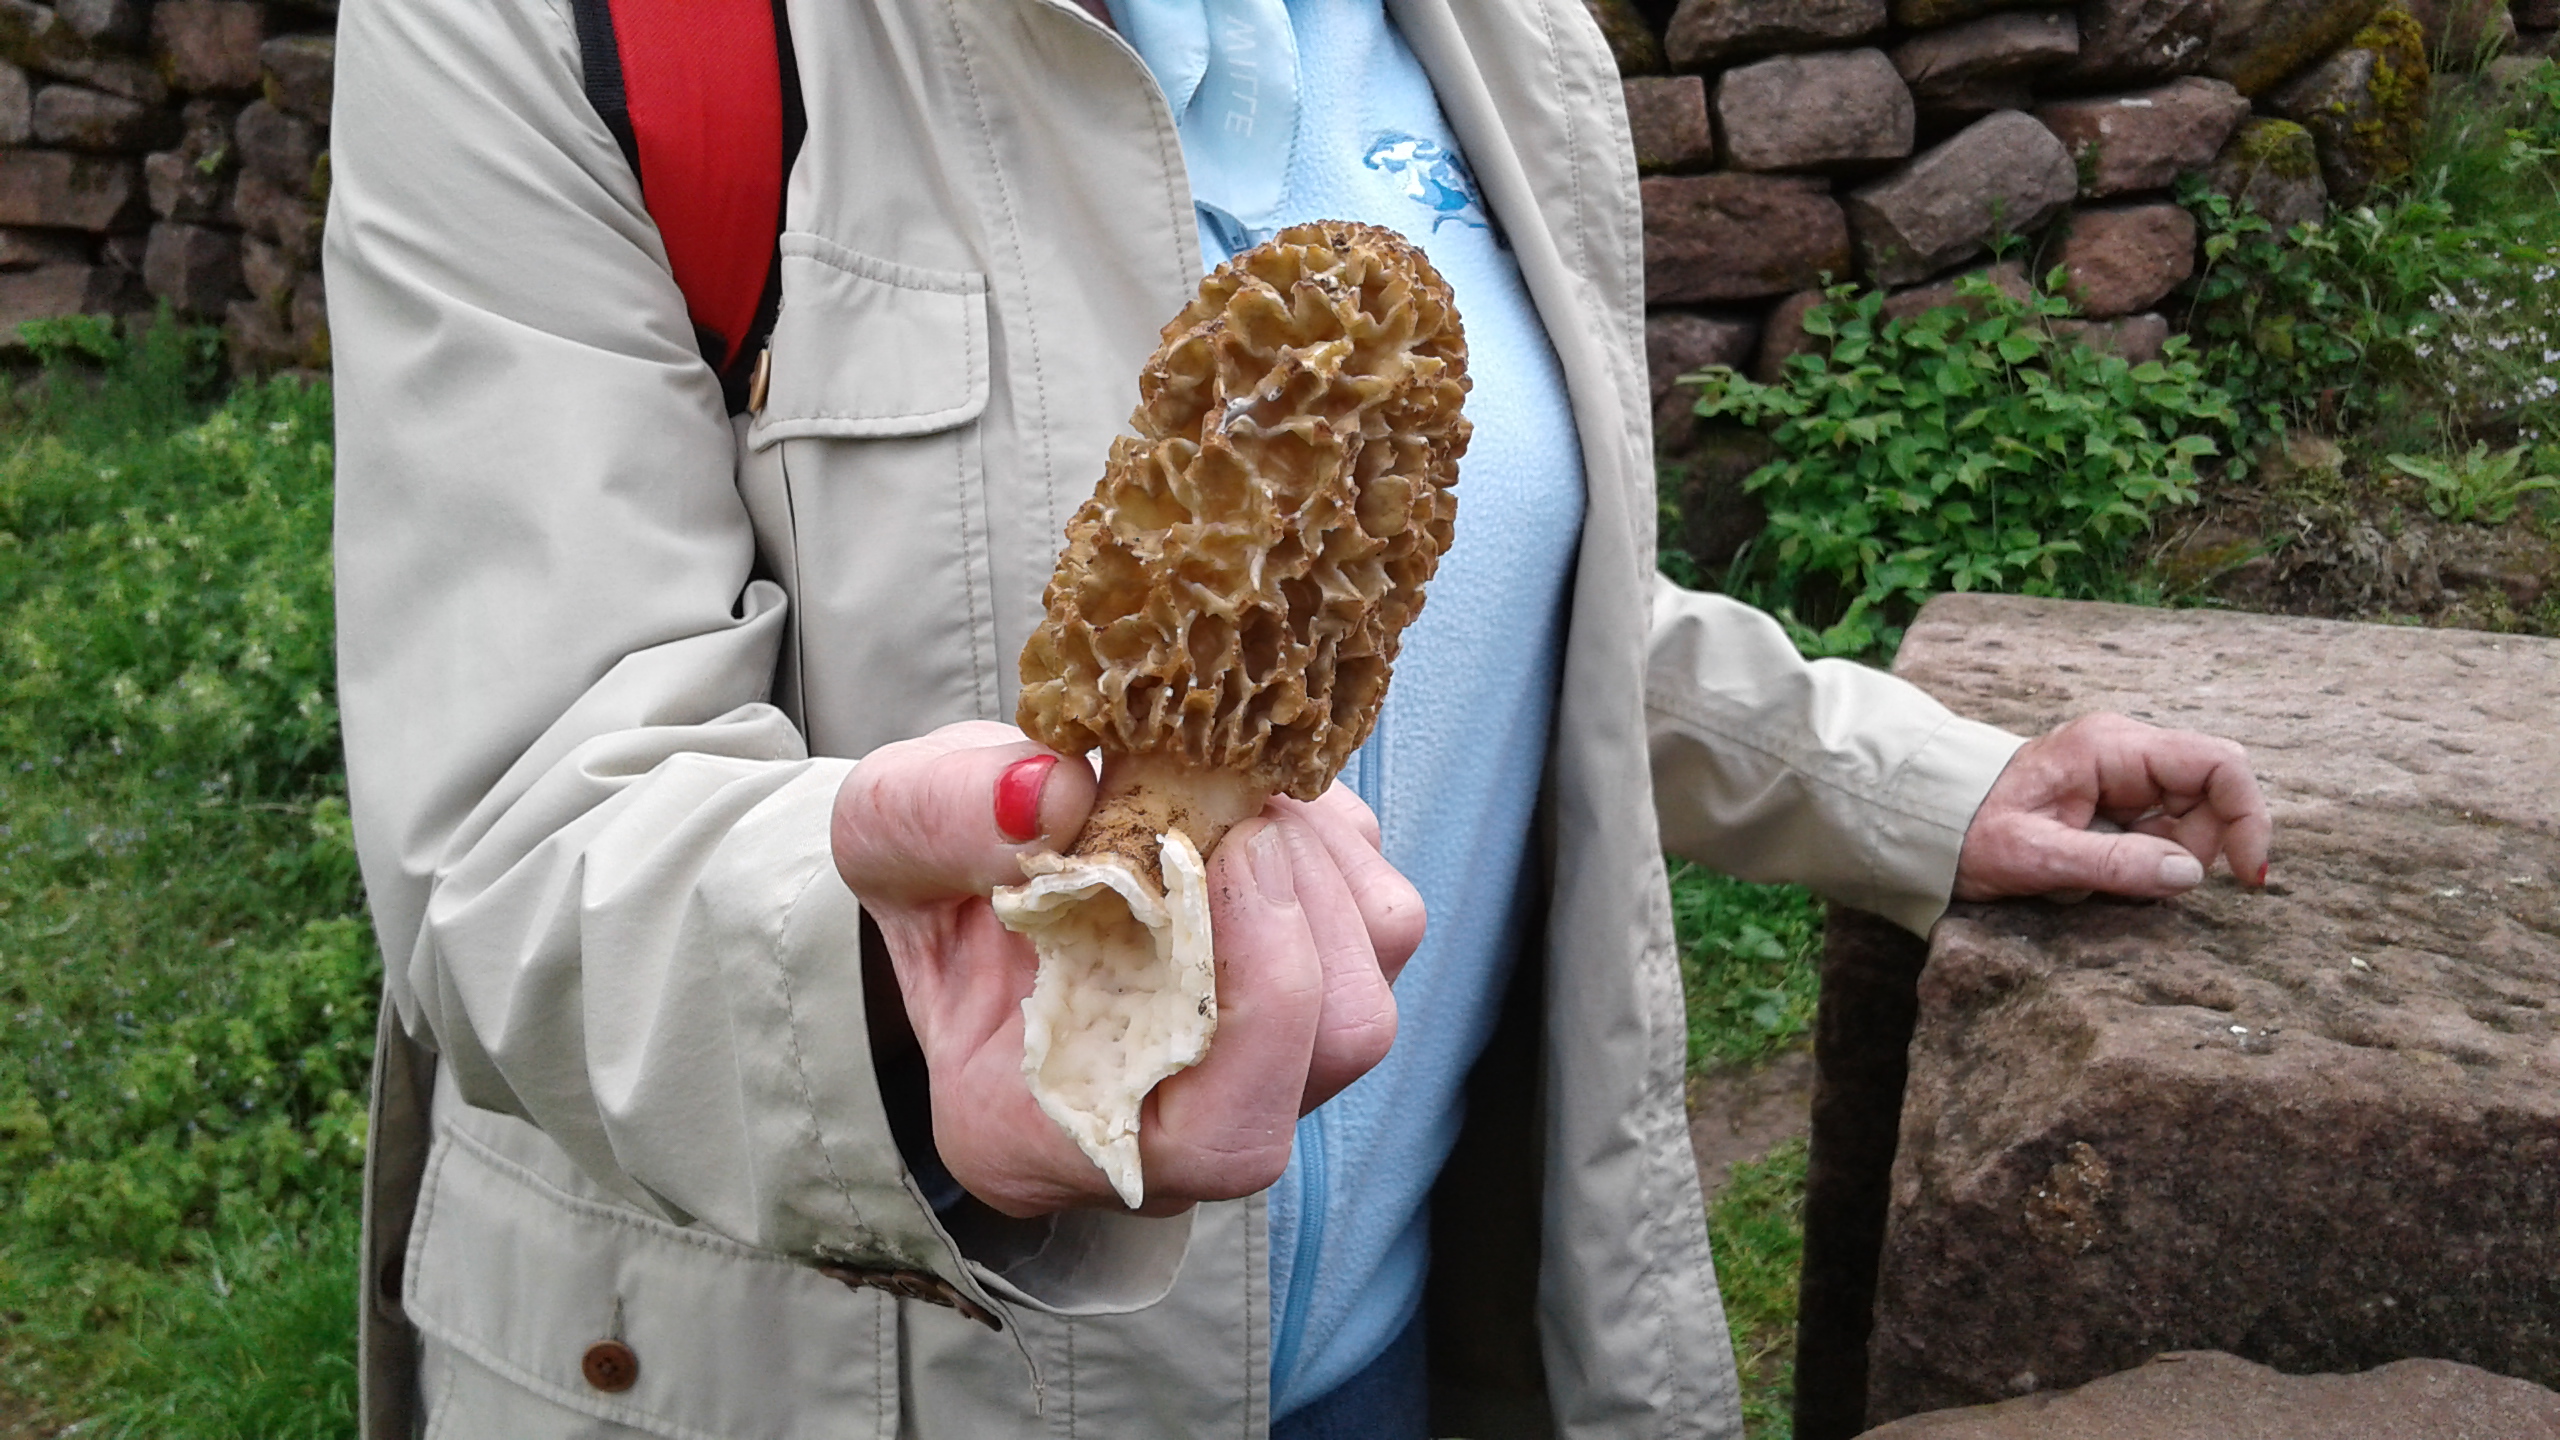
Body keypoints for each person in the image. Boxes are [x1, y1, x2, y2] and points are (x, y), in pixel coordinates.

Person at [327, 0, 2273, 1436]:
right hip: (864, 1383)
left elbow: (1506, 593)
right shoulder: (574, 30)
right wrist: (896, 1012)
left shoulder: (1496, 38)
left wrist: (1915, 784)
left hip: (1396, 1354)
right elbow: (519, 828)